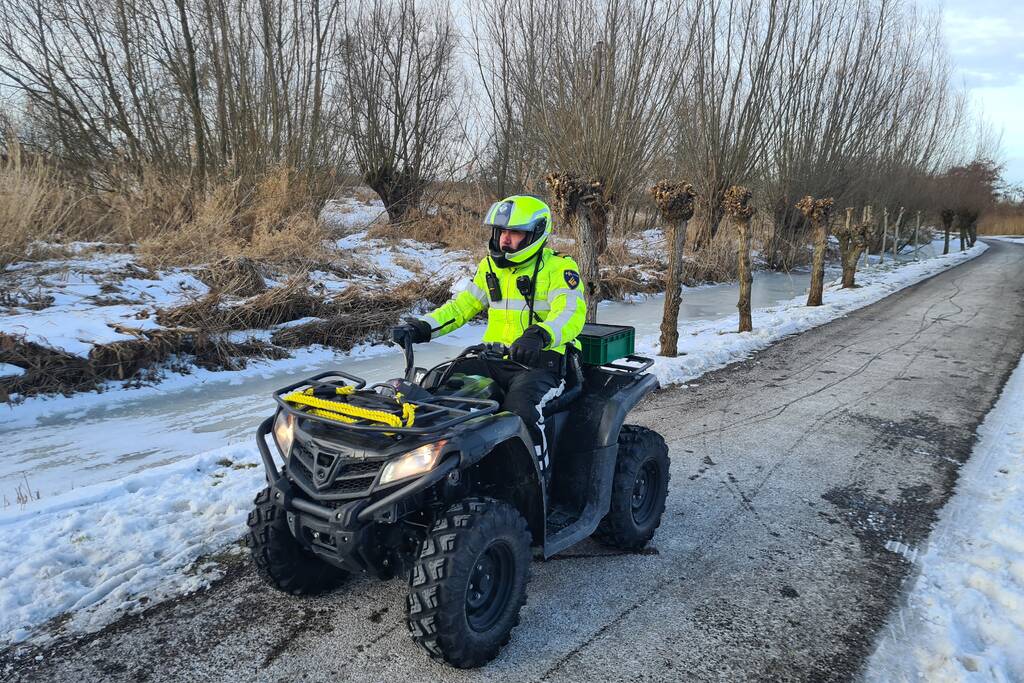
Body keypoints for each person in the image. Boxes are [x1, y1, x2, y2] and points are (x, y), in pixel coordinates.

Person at [391, 194, 586, 475]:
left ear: (537, 233)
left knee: (521, 412)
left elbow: (571, 313)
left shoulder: (559, 268)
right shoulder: (490, 267)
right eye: (501, 231)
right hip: (493, 358)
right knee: (436, 390)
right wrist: (423, 326)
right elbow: (462, 306)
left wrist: (540, 335)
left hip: (542, 364)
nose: (505, 239)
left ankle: (534, 481)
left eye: (515, 232)